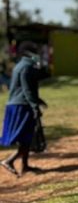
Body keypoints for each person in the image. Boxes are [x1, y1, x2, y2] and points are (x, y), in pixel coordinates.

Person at [1, 41, 47, 177]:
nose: (38, 55)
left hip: (20, 104)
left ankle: (25, 166)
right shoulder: (26, 67)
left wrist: (38, 101)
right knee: (26, 136)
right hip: (21, 106)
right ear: (29, 53)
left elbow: (24, 89)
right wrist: (35, 106)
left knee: (27, 137)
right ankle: (9, 161)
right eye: (36, 52)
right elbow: (27, 90)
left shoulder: (21, 65)